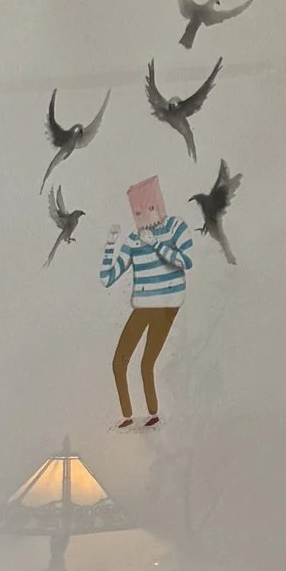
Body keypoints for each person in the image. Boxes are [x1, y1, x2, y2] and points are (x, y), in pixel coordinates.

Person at [98, 175, 195, 427]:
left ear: (159, 204)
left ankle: (152, 414)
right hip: (143, 304)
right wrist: (110, 246)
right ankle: (127, 416)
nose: (145, 216)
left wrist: (158, 247)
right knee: (119, 360)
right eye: (138, 211)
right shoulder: (133, 240)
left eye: (150, 208)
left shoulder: (175, 228)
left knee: (146, 362)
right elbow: (108, 278)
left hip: (167, 303)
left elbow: (186, 262)